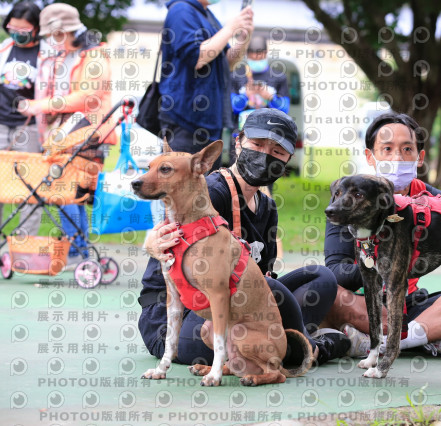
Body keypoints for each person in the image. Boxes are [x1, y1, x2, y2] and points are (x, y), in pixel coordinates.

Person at [139, 109, 350, 367]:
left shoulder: (267, 207)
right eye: (257, 144)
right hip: (177, 320)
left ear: (287, 160)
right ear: (238, 143)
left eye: (277, 151)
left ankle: (284, 341)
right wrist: (151, 242)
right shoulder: (212, 194)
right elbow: (163, 254)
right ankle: (310, 347)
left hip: (232, 312)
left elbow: (260, 282)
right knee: (265, 287)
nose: (264, 155)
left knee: (321, 277)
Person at [323, 112, 441, 359]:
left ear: (420, 157)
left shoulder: (436, 203)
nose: (397, 158)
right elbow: (336, 269)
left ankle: (393, 342)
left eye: (407, 149)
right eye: (387, 149)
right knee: (328, 289)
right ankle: (429, 338)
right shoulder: (345, 198)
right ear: (370, 156)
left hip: (411, 305)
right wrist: (388, 268)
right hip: (365, 304)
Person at [19, 3, 116, 263]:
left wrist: (40, 105)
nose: (51, 41)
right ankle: (79, 251)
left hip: (90, 134)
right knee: (69, 194)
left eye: (54, 35)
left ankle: (76, 251)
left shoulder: (95, 55)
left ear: (68, 32)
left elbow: (87, 95)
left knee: (67, 192)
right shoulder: (65, 56)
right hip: (69, 135)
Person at [158, 0, 253, 166]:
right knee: (179, 186)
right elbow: (198, 57)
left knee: (206, 188)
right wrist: (230, 28)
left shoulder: (206, 15)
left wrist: (244, 37)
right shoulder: (182, 10)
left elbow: (228, 62)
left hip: (209, 123)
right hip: (185, 120)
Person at [0, 1, 43, 236]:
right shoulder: (5, 48)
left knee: (27, 188)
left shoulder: (47, 54)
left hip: (30, 129)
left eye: (23, 31)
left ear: (37, 28)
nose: (17, 34)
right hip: (1, 123)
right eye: (12, 28)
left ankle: (24, 246)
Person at [229, 35, 290, 165]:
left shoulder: (278, 77)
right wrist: (246, 95)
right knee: (238, 170)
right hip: (240, 134)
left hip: (269, 135)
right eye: (253, 56)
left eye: (260, 56)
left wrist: (270, 97)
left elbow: (285, 109)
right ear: (247, 55)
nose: (257, 59)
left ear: (266, 54)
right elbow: (231, 107)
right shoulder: (236, 75)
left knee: (265, 173)